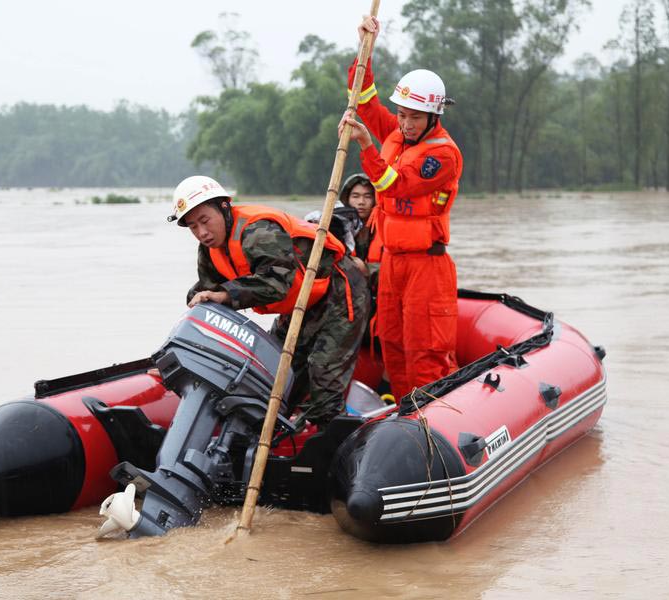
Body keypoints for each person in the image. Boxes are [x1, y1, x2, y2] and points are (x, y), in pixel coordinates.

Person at [170, 175, 369, 427]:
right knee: (273, 369)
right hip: (299, 303)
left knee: (321, 369)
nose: (202, 232)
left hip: (339, 290)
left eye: (205, 221)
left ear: (224, 207)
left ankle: (324, 432)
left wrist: (226, 295)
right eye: (192, 226)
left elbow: (276, 284)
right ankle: (274, 431)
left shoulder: (257, 230)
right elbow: (204, 295)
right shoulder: (209, 249)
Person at [340, 15, 464, 401]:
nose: (405, 123)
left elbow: (394, 184)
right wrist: (366, 49)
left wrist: (364, 145)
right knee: (390, 340)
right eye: (403, 114)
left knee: (424, 348)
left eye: (413, 117)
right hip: (393, 261)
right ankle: (402, 413)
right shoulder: (397, 132)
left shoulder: (442, 155)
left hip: (427, 265)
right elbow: (364, 98)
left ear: (433, 117)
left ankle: (432, 419)